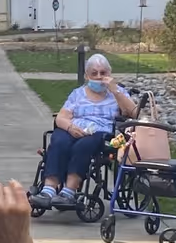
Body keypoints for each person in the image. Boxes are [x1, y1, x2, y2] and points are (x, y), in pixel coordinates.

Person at [33, 55, 137, 209]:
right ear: (87, 76)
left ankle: (69, 191)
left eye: (103, 73)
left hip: (101, 133)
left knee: (84, 145)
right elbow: (61, 117)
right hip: (73, 128)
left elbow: (134, 113)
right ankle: (48, 190)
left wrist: (115, 90)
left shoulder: (117, 93)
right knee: (59, 140)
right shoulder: (78, 94)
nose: (99, 77)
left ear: (110, 73)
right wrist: (70, 127)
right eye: (94, 73)